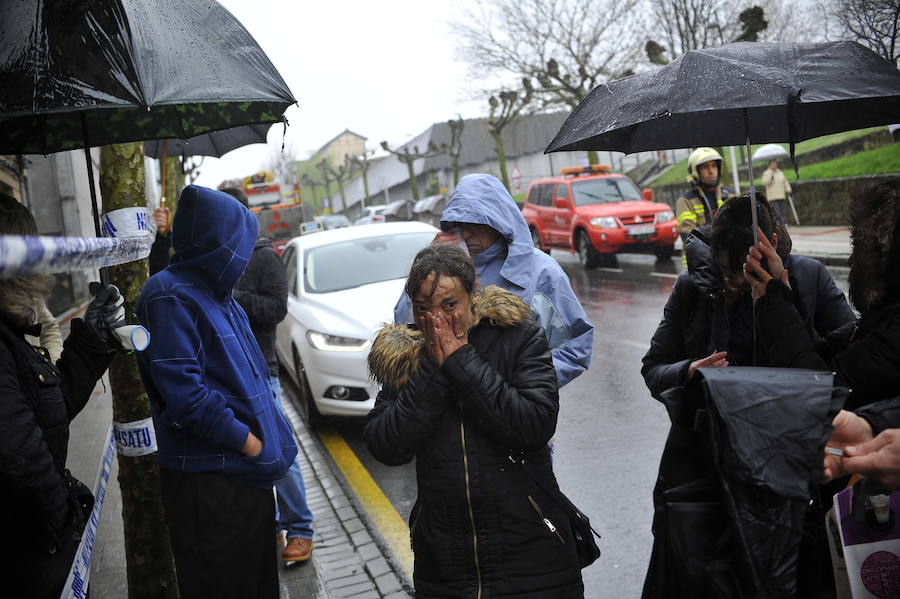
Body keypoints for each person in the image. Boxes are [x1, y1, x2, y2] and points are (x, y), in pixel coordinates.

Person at [366, 243, 584, 598]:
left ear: (473, 296)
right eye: (423, 309)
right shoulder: (407, 357)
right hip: (446, 563)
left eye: (449, 306)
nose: (435, 321)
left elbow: (534, 424)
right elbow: (386, 444)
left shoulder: (518, 335)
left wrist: (461, 361)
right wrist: (435, 372)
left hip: (531, 551)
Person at [136, 185, 298, 598]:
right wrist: (248, 443)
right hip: (210, 484)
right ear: (216, 243)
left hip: (244, 478)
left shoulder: (216, 292)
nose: (242, 257)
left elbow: (250, 376)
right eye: (237, 244)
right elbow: (186, 396)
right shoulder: (168, 294)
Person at [0, 193, 122, 598]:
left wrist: (92, 335)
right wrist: (63, 523)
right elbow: (21, 457)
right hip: (27, 560)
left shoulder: (12, 330)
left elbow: (48, 409)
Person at [641, 193, 855, 398]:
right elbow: (654, 369)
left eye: (745, 270)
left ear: (771, 243)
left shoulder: (809, 277)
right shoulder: (691, 286)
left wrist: (782, 297)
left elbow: (848, 353)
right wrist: (688, 371)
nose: (734, 281)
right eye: (725, 269)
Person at [393, 173, 593, 388]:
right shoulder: (446, 269)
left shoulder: (541, 272)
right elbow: (404, 326)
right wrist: (427, 266)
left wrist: (525, 385)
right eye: (458, 224)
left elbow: (575, 348)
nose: (465, 234)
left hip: (515, 411)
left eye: (474, 224)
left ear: (497, 222)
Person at [745, 176, 900, 410]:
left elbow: (820, 390)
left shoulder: (892, 330)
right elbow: (820, 355)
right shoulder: (879, 319)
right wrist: (784, 292)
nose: (852, 260)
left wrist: (776, 305)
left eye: (864, 249)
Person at [225, 187, 315, 564]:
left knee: (281, 452)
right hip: (230, 376)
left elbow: (276, 309)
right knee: (249, 454)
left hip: (263, 370)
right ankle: (273, 525)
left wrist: (234, 297)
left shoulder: (265, 258)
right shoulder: (218, 261)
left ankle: (300, 529)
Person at [675, 147, 733, 240]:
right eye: (705, 167)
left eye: (714, 166)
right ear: (695, 171)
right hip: (700, 254)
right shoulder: (686, 201)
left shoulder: (731, 195)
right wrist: (717, 231)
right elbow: (687, 235)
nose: (711, 171)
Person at [761, 159, 792, 226]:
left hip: (781, 195)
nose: (774, 165)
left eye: (775, 163)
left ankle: (781, 224)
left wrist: (788, 189)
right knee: (777, 211)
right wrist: (771, 178)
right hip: (773, 196)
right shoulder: (767, 173)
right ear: (769, 165)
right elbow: (764, 182)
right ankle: (780, 224)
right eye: (773, 164)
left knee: (781, 210)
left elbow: (785, 182)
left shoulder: (780, 172)